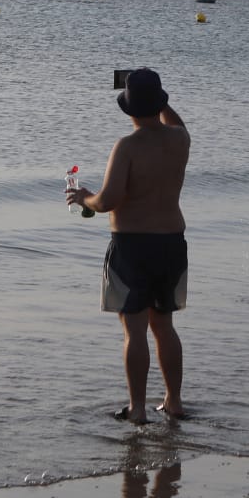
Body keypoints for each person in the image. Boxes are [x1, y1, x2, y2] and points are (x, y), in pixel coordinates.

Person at [67, 67, 190, 424]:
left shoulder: (127, 146)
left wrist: (84, 197)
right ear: (161, 101)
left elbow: (108, 201)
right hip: (171, 243)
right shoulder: (180, 139)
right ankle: (174, 401)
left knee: (134, 330)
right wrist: (161, 98)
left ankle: (137, 408)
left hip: (133, 246)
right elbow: (175, 122)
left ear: (129, 108)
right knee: (163, 326)